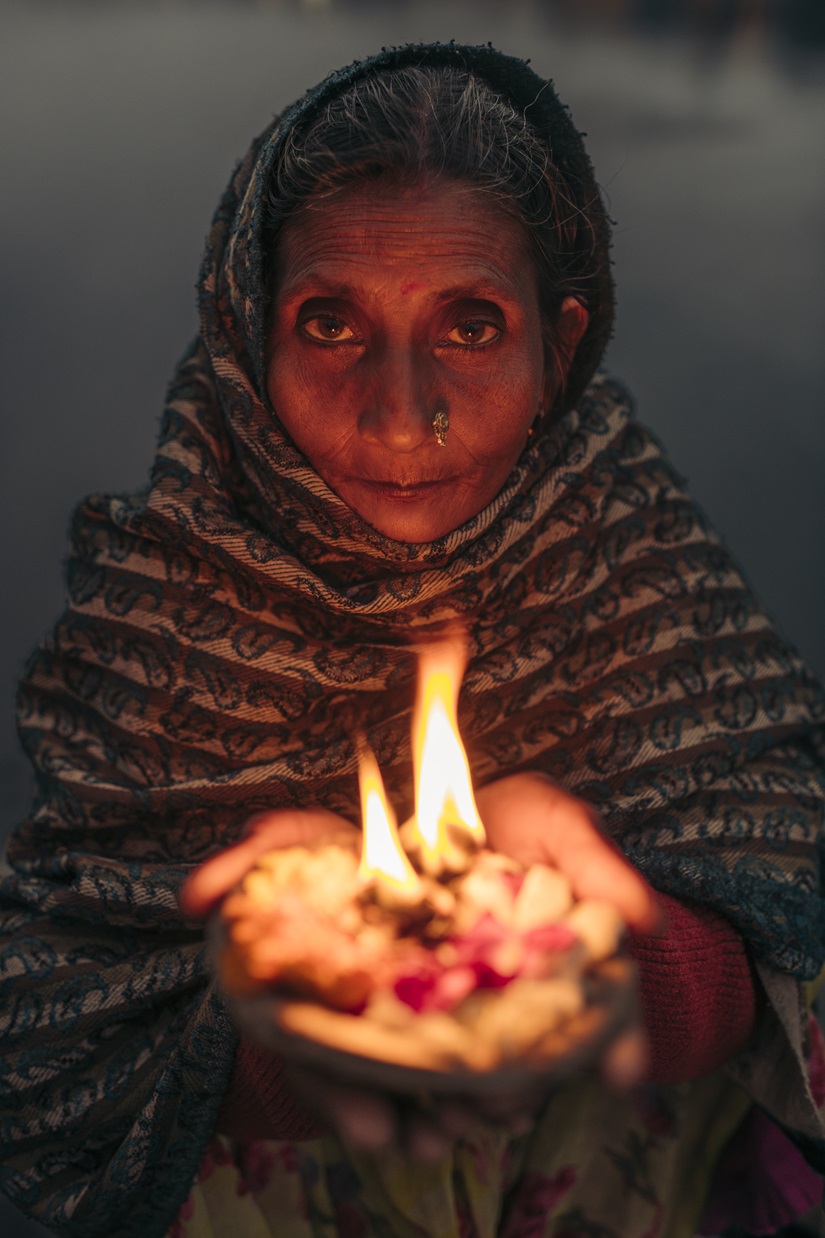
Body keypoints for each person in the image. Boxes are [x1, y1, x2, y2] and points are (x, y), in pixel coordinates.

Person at [1, 41, 823, 1238]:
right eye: (330, 322)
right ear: (246, 340)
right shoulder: (161, 614)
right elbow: (58, 1026)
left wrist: (600, 962)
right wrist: (301, 1011)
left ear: (559, 345)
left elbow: (789, 904)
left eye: (473, 326)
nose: (400, 408)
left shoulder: (630, 557)